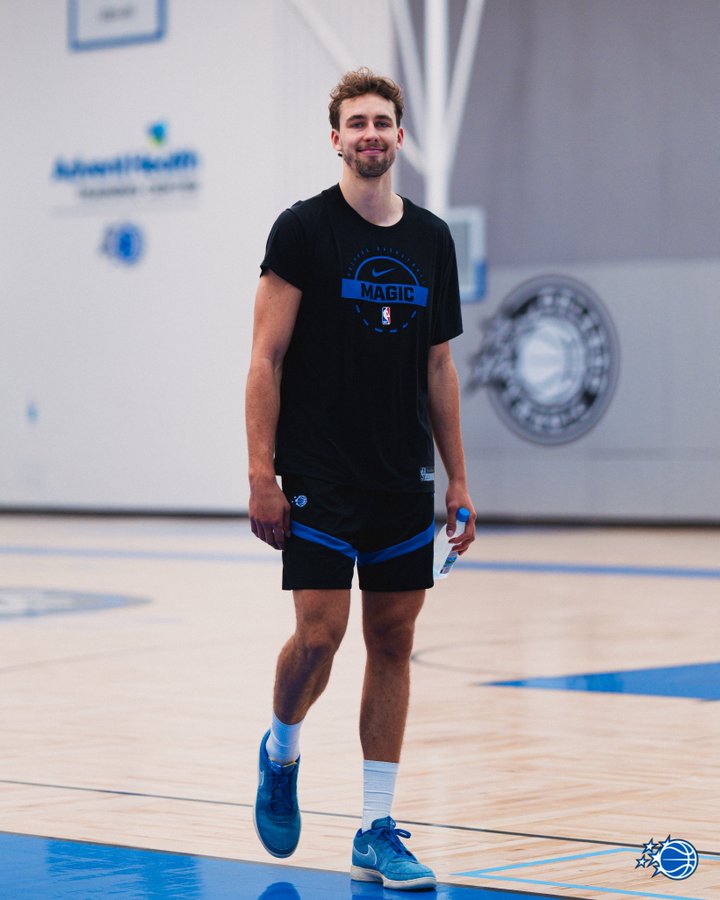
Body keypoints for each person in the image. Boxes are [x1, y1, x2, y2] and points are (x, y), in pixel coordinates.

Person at [245, 67, 475, 891]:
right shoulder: (302, 230)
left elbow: (440, 367)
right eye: (357, 122)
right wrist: (261, 473)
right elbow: (266, 358)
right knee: (320, 636)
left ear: (399, 136)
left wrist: (457, 478)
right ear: (336, 138)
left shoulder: (433, 239)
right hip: (318, 473)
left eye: (382, 121)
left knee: (393, 641)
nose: (370, 134)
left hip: (401, 477)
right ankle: (281, 750)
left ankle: (376, 829)